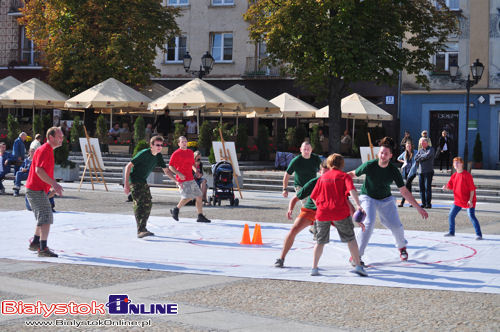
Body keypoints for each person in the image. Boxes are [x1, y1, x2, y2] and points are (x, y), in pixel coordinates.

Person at [348, 137, 428, 264]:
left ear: (390, 155)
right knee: (368, 224)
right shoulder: (370, 165)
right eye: (381, 152)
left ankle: (402, 247)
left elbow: (404, 191)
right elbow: (352, 174)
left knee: (396, 225)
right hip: (368, 196)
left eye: (385, 153)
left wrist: (418, 207)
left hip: (385, 199)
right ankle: (356, 256)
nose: (382, 155)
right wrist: (335, 177)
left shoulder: (393, 171)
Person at [310, 154, 367, 277]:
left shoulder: (322, 178)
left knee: (320, 242)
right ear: (342, 164)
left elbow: (313, 196)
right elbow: (352, 190)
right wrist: (358, 205)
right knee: (351, 239)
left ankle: (314, 268)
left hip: (322, 212)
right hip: (340, 212)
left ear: (329, 164)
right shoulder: (344, 176)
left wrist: (320, 206)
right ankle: (358, 265)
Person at [274, 161, 329, 268]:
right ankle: (281, 258)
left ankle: (356, 258)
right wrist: (290, 209)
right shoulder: (314, 182)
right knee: (293, 230)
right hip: (311, 210)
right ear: (319, 172)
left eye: (328, 172)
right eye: (324, 172)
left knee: (347, 231)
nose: (326, 175)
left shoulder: (335, 182)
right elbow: (295, 198)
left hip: (328, 211)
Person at [124, 135, 176, 238]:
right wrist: (126, 185)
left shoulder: (158, 156)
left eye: (161, 145)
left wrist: (176, 181)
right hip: (134, 180)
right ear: (151, 145)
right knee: (139, 203)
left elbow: (166, 170)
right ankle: (140, 230)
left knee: (148, 203)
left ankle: (143, 228)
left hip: (143, 181)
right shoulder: (144, 153)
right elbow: (128, 166)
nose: (160, 147)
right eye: (157, 145)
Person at [26, 127, 64, 257]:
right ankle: (43, 248)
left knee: (43, 216)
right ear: (51, 137)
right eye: (60, 137)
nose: (62, 139)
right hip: (35, 189)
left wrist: (52, 186)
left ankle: (36, 242)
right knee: (47, 216)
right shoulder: (44, 150)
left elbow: (44, 172)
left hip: (38, 189)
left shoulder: (48, 150)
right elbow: (39, 171)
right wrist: (54, 184)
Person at [169, 136, 211, 223]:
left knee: (199, 196)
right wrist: (179, 174)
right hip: (182, 179)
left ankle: (200, 216)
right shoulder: (176, 153)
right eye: (182, 142)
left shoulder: (190, 152)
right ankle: (176, 209)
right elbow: (170, 166)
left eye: (185, 141)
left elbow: (192, 164)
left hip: (191, 178)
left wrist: (196, 171)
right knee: (188, 196)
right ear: (179, 144)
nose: (184, 143)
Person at [442, 157, 483, 240]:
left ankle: (479, 234)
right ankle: (451, 232)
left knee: (471, 216)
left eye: (457, 163)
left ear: (462, 164)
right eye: (454, 163)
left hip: (469, 201)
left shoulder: (467, 175)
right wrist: (445, 187)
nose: (456, 164)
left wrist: (470, 200)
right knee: (451, 215)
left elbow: (472, 189)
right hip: (458, 200)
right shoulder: (454, 176)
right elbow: (450, 187)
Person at [415, 137, 435, 208]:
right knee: (422, 188)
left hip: (428, 171)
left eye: (423, 142)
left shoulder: (431, 149)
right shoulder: (420, 150)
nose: (422, 144)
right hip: (421, 172)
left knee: (427, 188)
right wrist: (423, 157)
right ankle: (423, 203)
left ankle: (428, 203)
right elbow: (415, 158)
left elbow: (427, 155)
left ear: (427, 143)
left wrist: (421, 157)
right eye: (421, 143)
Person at [397, 140, 417, 207]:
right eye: (407, 146)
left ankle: (402, 202)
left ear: (411, 146)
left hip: (412, 173)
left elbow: (419, 157)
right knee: (409, 188)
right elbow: (398, 158)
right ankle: (412, 203)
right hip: (406, 172)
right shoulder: (405, 153)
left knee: (405, 188)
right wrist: (404, 162)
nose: (408, 147)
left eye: (409, 146)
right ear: (406, 147)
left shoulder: (415, 152)